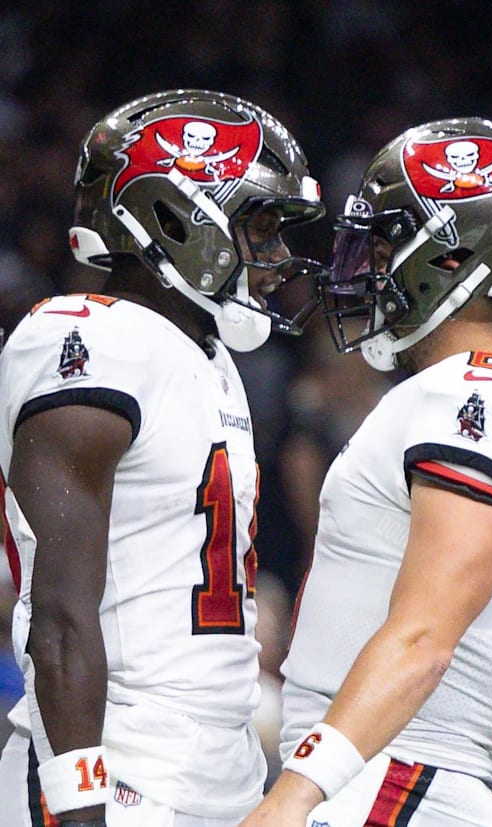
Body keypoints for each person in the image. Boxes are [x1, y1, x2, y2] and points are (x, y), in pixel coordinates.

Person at [240, 117, 492, 826]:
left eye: (382, 242)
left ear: (450, 258)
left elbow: (423, 638)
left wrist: (292, 796)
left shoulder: (474, 398)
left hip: (389, 777)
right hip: (418, 775)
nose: (364, 266)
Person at [0, 88, 325, 827]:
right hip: (120, 769)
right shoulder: (86, 338)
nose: (276, 258)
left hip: (218, 768)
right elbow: (57, 615)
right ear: (178, 217)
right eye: (260, 227)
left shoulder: (204, 357)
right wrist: (78, 800)